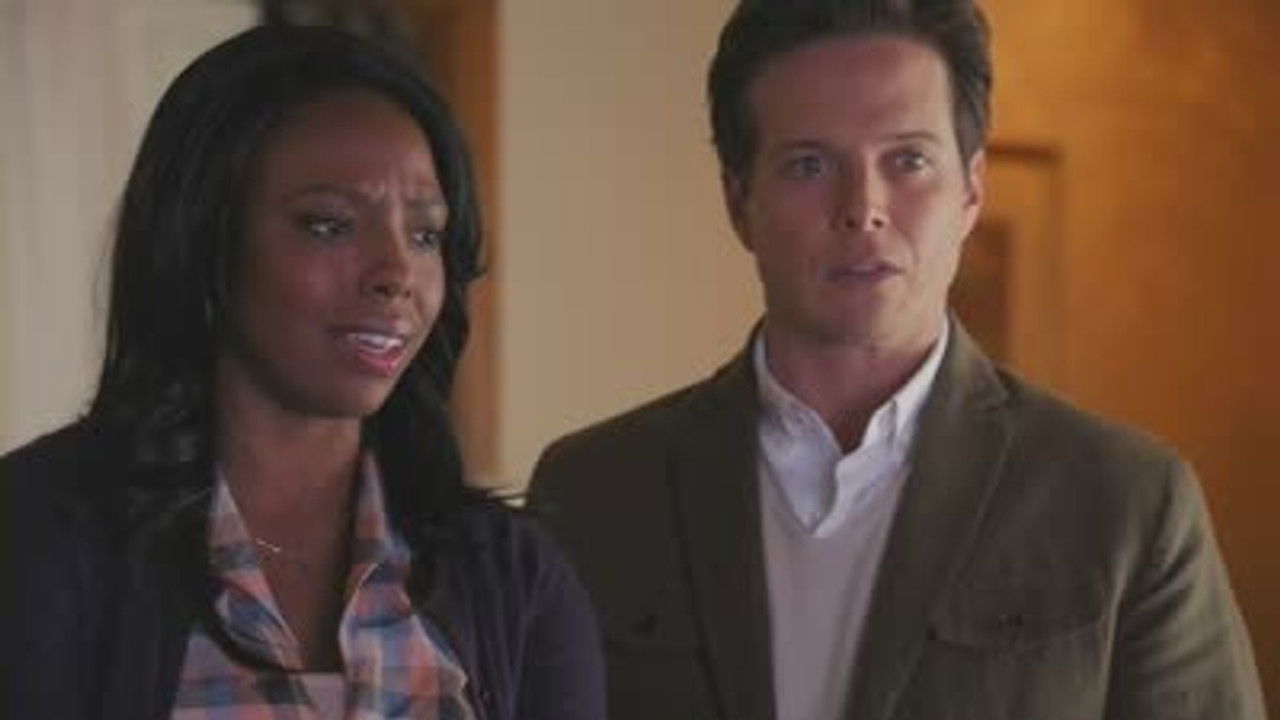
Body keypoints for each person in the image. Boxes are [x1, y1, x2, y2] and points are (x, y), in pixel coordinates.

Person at [528, 1, 1267, 718]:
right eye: (808, 165)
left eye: (908, 160)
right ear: (737, 201)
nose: (863, 207)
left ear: (971, 191)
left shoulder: (1125, 504)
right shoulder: (595, 493)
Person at [2, 24, 604, 720]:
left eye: (425, 234)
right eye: (328, 224)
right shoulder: (35, 534)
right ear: (206, 239)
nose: (396, 273)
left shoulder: (515, 576)